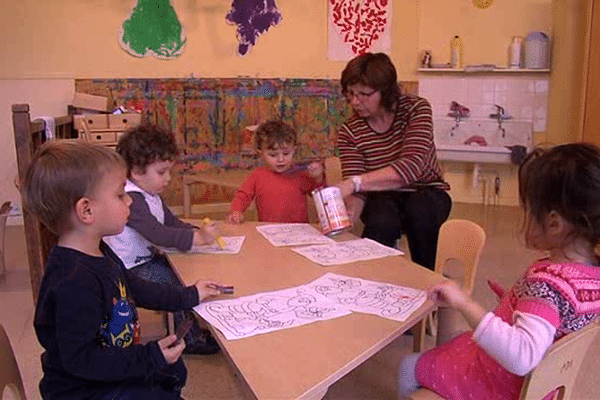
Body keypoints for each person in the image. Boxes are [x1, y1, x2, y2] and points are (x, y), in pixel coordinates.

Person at [22, 140, 223, 399]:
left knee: (174, 371)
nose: (129, 201)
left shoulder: (99, 250)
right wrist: (148, 357)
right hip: (84, 391)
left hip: (108, 369)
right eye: (120, 194)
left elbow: (135, 288)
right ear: (87, 210)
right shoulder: (71, 282)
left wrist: (189, 295)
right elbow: (82, 360)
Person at [398, 143, 600, 399]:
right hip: (543, 387)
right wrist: (517, 304)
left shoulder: (547, 285)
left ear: (554, 223)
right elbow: (559, 318)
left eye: (528, 210)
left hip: (501, 386)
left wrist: (465, 303)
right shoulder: (592, 273)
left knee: (408, 366)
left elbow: (522, 356)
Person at [103, 124, 221, 355]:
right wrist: (196, 237)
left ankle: (187, 324)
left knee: (183, 271)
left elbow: (171, 221)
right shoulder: (133, 198)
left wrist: (195, 229)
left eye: (169, 171)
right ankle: (189, 338)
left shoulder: (150, 194)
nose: (168, 178)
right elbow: (157, 233)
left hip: (144, 259)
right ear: (136, 172)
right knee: (176, 284)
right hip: (130, 269)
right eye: (161, 172)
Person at [334, 52, 451, 271]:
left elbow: (411, 168)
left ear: (386, 92)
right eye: (350, 94)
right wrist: (347, 218)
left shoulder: (416, 109)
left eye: (364, 94)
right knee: (380, 221)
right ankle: (376, 283)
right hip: (381, 195)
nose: (355, 102)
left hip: (426, 190)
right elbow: (358, 188)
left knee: (420, 212)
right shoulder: (350, 130)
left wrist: (353, 184)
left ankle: (430, 282)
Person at [226, 120, 323, 224]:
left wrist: (318, 177)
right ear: (261, 153)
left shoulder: (301, 174)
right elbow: (243, 195)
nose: (281, 159)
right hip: (269, 232)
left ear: (294, 150)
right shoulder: (257, 176)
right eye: (273, 155)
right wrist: (236, 211)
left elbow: (322, 196)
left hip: (299, 233)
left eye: (286, 153)